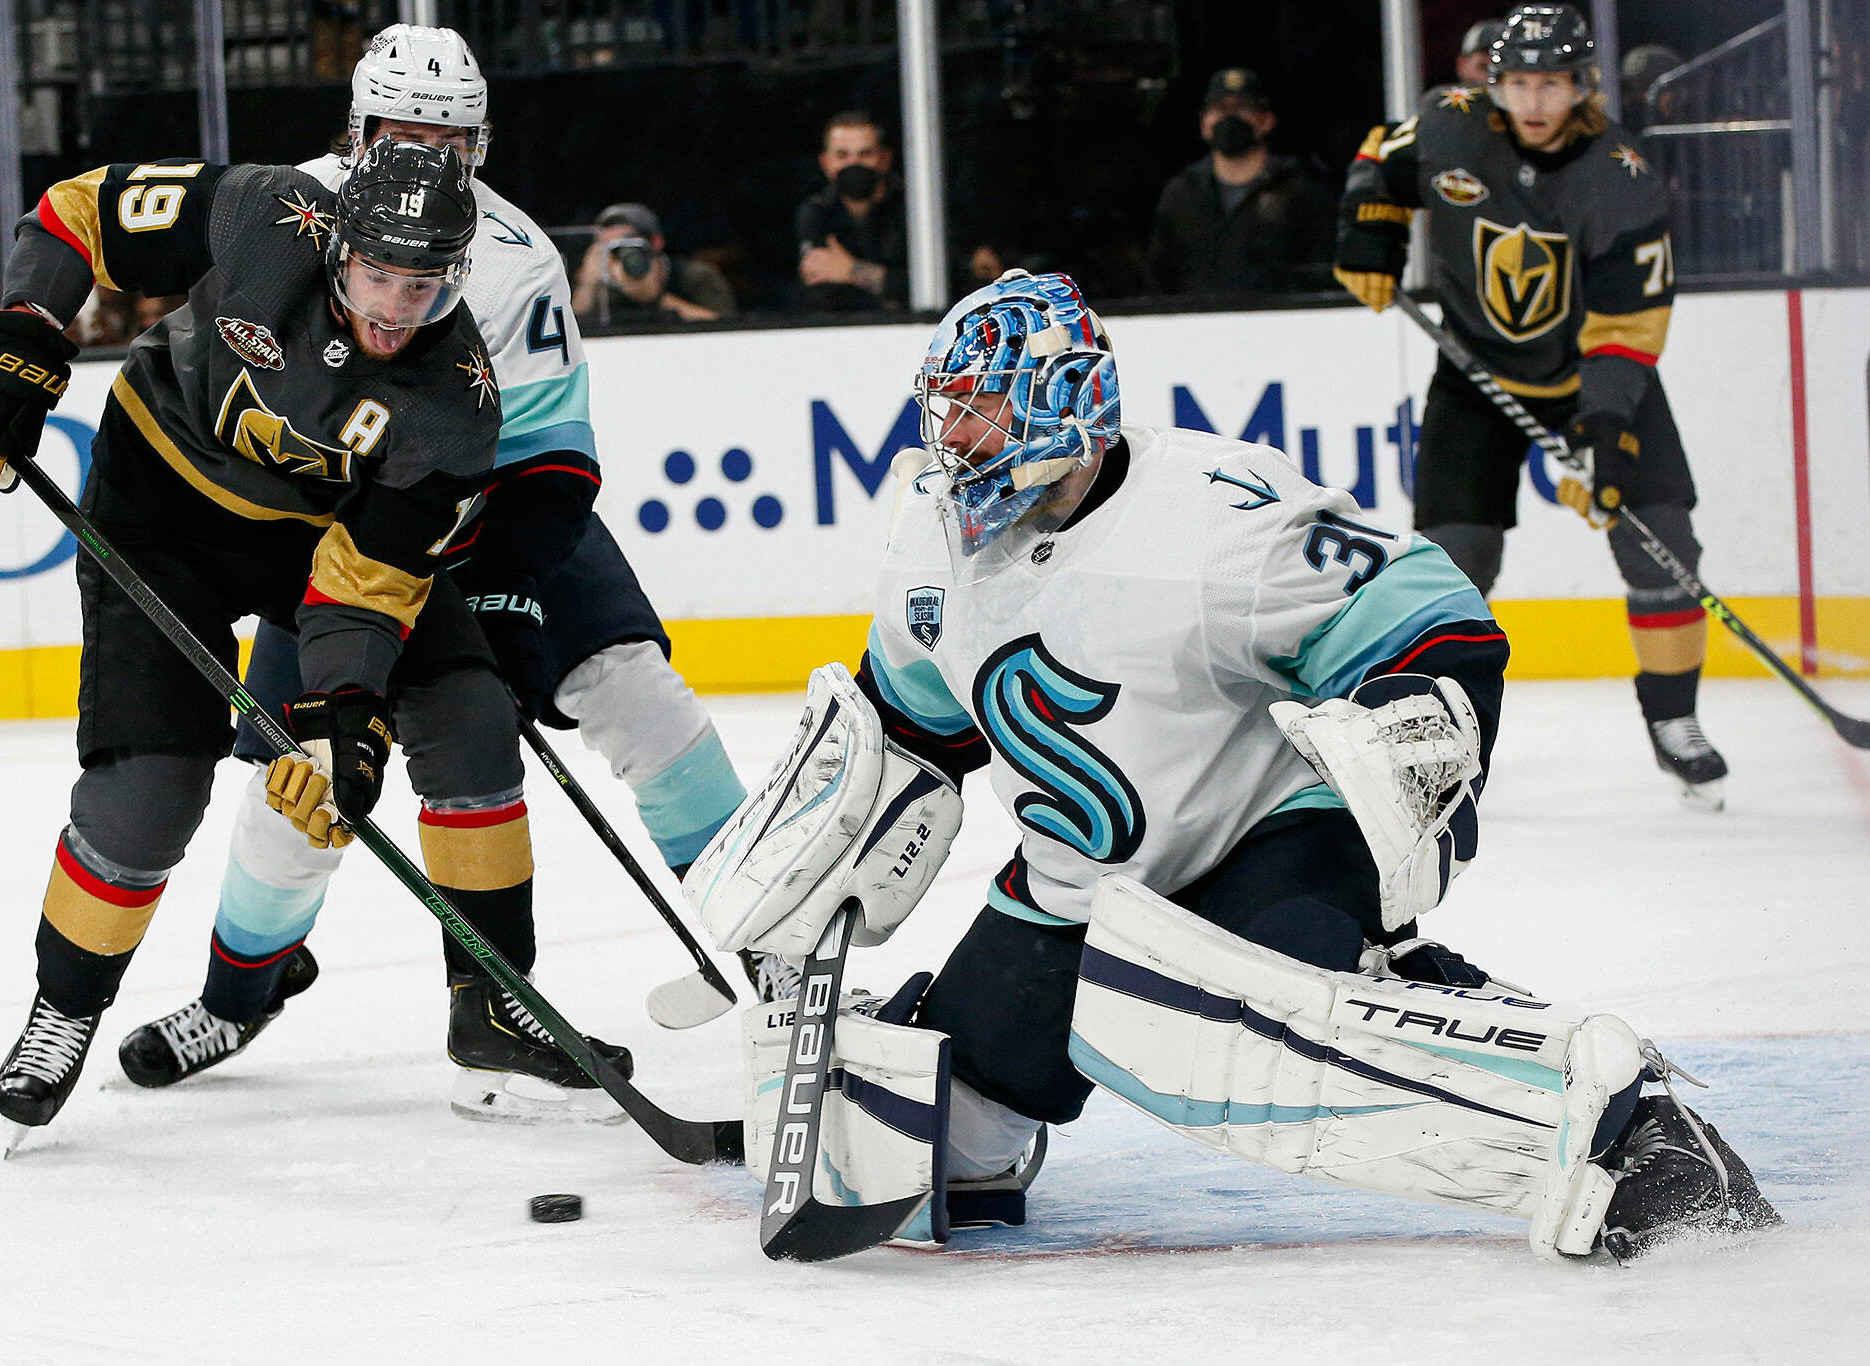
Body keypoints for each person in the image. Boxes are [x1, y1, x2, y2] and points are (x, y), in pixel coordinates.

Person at [689, 268, 1778, 1262]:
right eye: (948, 409)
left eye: (982, 408)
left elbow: (1428, 616)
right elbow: (910, 732)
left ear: (1066, 401)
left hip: (1266, 844)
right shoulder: (929, 543)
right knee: (917, 1141)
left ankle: (1608, 1118)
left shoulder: (1214, 512)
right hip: (1076, 888)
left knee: (1226, 1030)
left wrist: (1411, 729)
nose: (956, 438)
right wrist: (820, 875)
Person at [112, 24, 763, 1122]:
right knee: (301, 785)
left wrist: (504, 590)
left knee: (635, 694)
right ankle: (240, 991)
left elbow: (553, 455)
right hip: (335, 537)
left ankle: (780, 943)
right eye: (405, 130)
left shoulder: (514, 253)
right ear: (358, 129)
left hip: (491, 514)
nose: (429, 152)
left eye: (451, 135)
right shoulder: (277, 208)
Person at [0, 136, 612, 1139]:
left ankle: (493, 1001)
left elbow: (364, 586)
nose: (392, 311)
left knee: (469, 717)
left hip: (316, 546)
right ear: (337, 247)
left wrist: (341, 722)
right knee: (150, 788)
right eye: (378, 276)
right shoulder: (266, 213)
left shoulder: (454, 403)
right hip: (162, 513)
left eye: (422, 288)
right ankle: (63, 1007)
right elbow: (78, 206)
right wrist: (21, 332)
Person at [1334, 3, 1728, 809]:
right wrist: (1368, 228)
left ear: (1582, 86)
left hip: (1597, 374)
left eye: (1552, 84)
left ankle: (1674, 720)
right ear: (1495, 84)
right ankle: (1444, 735)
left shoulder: (1621, 177)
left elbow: (1628, 323)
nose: (1535, 103)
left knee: (1662, 542)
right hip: (1477, 376)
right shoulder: (1448, 125)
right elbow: (1380, 158)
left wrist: (1607, 426)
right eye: (1519, 84)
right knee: (1451, 560)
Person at [1144, 69, 1336, 296]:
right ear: (1203, 123)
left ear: (1266, 121)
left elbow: (1322, 274)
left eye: (1242, 108)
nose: (1229, 117)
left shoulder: (1301, 190)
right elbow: (1159, 279)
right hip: (1198, 326)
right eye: (1219, 109)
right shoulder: (1181, 194)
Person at [794, 111, 908, 312]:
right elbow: (820, 289)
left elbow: (936, 285)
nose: (854, 164)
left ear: (884, 159)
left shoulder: (914, 210)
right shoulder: (816, 212)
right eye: (842, 155)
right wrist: (884, 281)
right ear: (826, 163)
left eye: (865, 154)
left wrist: (850, 270)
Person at [571, 201, 738, 324]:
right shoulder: (603, 284)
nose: (619, 255)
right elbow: (572, 331)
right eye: (609, 248)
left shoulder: (695, 276)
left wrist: (657, 298)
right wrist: (587, 285)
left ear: (655, 242)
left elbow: (730, 328)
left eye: (628, 245)